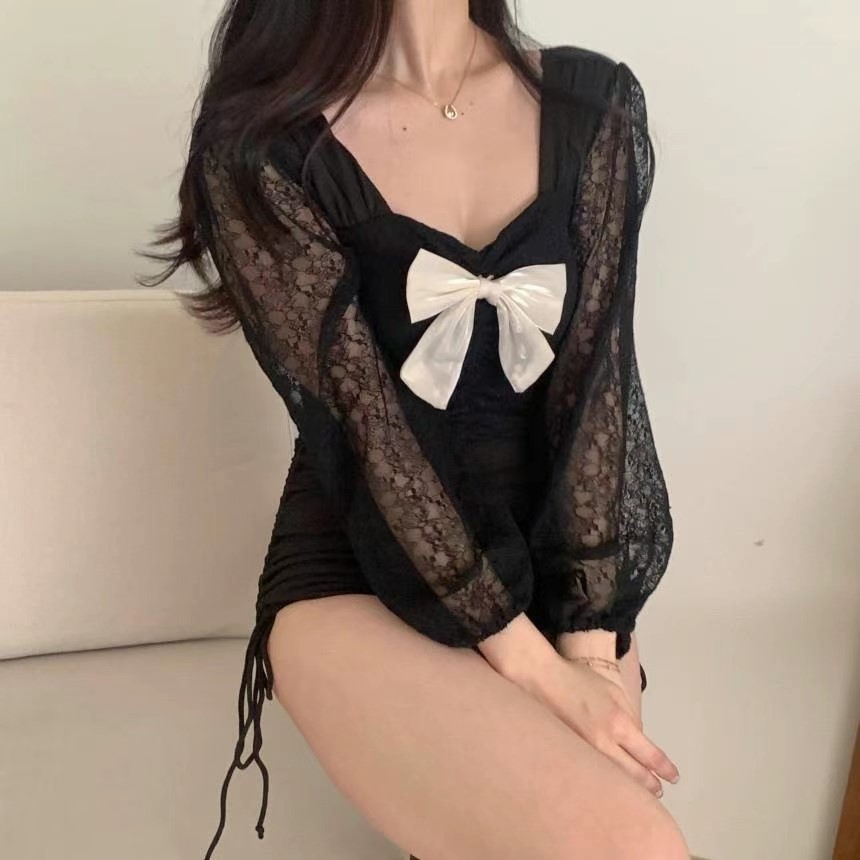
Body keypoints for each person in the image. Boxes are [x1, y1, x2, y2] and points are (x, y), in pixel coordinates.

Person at [139, 2, 688, 858]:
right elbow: (369, 433)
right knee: (628, 845)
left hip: (554, 567)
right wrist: (538, 673)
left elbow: (599, 388)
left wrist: (589, 654)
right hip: (366, 566)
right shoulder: (261, 145)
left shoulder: (594, 104)